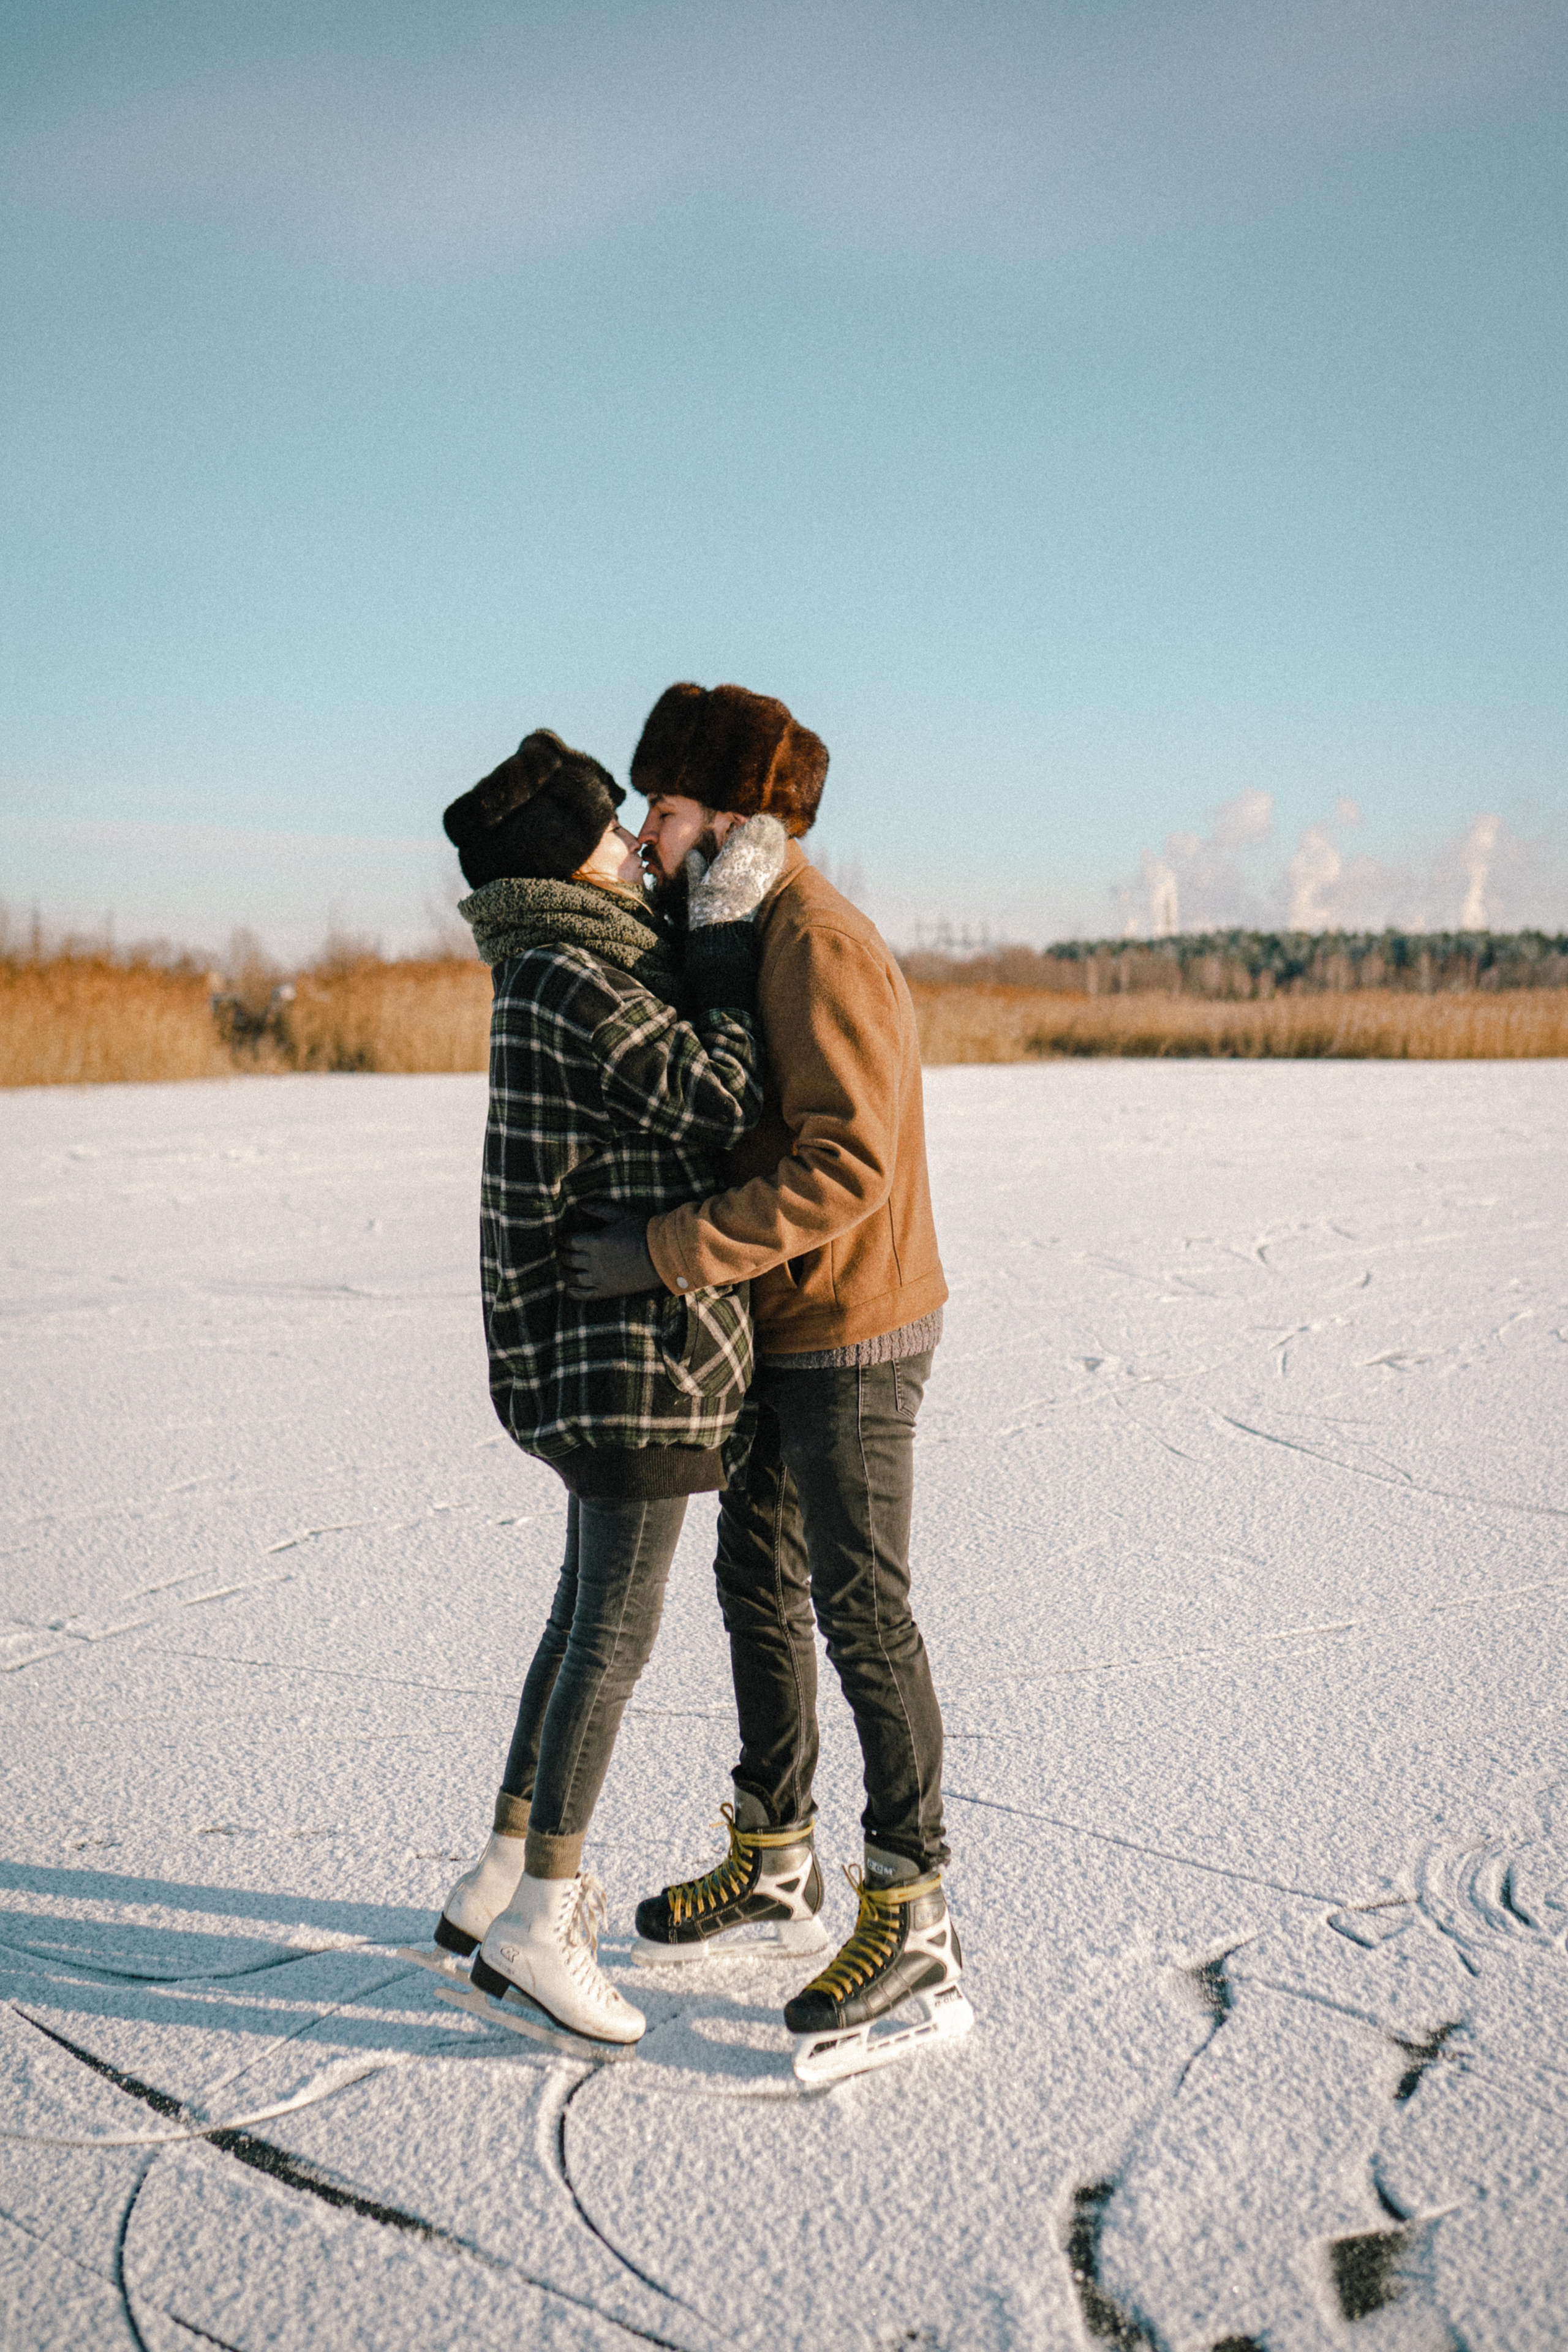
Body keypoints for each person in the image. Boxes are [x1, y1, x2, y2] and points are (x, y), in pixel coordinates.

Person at [565, 682, 967, 2069]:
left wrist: (667, 1252)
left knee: (861, 1612)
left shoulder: (815, 941)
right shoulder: (735, 936)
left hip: (851, 1332)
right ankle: (775, 1853)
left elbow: (845, 1164)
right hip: (777, 1328)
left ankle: (912, 1910)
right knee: (757, 1585)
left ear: (726, 816)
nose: (648, 838)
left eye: (662, 812)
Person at [426, 726, 789, 2052]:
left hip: (603, 1350)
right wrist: (730, 957)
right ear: (567, 867)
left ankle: (499, 1872)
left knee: (581, 1617)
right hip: (631, 1358)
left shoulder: (552, 966)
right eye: (610, 835)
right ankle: (544, 1919)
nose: (639, 845)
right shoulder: (579, 974)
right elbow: (716, 1098)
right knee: (612, 1638)